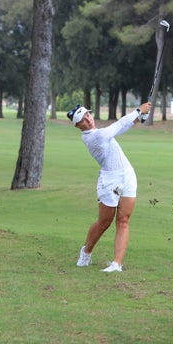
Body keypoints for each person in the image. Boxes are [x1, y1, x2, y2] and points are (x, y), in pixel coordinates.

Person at [69, 102, 151, 273]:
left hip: (127, 175)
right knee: (104, 222)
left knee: (123, 220)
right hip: (109, 181)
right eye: (83, 120)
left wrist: (139, 117)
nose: (88, 120)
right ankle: (86, 252)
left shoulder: (100, 133)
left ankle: (117, 264)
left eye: (88, 116)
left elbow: (123, 127)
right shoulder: (94, 138)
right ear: (77, 126)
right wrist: (138, 111)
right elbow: (118, 125)